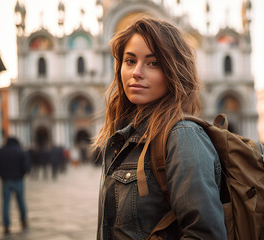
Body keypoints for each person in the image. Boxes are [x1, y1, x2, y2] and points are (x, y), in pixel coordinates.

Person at [94, 18, 226, 239]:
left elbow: (205, 234)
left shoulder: (182, 137)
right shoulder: (126, 136)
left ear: (174, 71)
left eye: (153, 63)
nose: (136, 72)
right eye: (130, 60)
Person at [0, 137, 31, 235]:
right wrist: (21, 174)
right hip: (18, 180)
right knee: (21, 201)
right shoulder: (21, 152)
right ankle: (23, 221)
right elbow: (27, 167)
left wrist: (2, 175)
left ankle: (6, 225)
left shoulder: (0, 152)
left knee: (6, 203)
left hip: (6, 181)